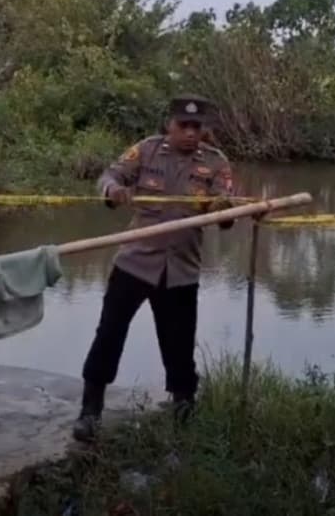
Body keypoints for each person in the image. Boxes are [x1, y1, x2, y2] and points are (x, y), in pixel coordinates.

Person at [73, 95, 235, 443]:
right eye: (183, 126)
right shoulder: (146, 151)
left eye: (197, 127)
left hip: (181, 270)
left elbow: (227, 209)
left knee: (179, 346)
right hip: (135, 263)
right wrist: (114, 190)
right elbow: (109, 175)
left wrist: (223, 208)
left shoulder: (217, 163)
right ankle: (90, 412)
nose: (191, 133)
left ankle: (184, 411)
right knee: (109, 335)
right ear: (169, 125)